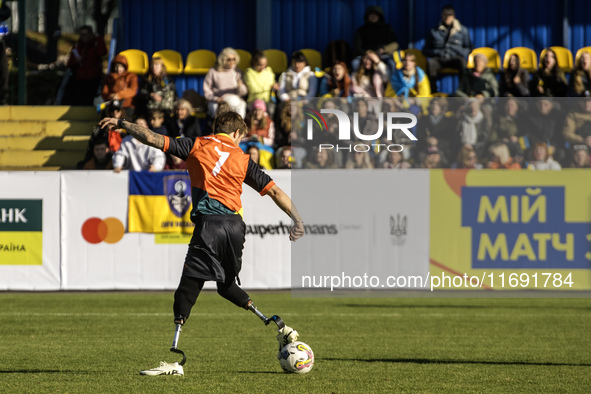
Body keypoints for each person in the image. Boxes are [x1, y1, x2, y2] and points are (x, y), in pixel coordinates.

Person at [98, 111, 304, 376]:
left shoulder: (196, 144)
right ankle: (278, 325)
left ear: (217, 128)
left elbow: (151, 138)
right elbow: (274, 191)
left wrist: (122, 124)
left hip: (210, 225)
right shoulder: (243, 159)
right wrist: (298, 219)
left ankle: (174, 358)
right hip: (235, 228)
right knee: (225, 285)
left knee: (188, 286)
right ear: (237, 134)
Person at [423, 4, 472, 92]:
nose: (447, 18)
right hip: (440, 59)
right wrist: (438, 52)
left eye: (449, 15)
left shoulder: (462, 31)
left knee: (463, 63)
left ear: (453, 16)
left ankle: (463, 92)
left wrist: (457, 51)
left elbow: (469, 48)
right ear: (442, 15)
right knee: (431, 64)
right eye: (445, 15)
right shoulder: (433, 31)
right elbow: (425, 50)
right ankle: (433, 92)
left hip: (455, 59)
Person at [62, 25, 107, 106]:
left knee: (91, 98)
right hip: (80, 77)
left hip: (93, 77)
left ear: (90, 34)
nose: (83, 37)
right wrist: (76, 61)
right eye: (81, 34)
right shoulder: (77, 46)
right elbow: (70, 63)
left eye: (85, 34)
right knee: (80, 99)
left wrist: (99, 39)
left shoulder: (95, 44)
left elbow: (102, 52)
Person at [203, 47, 248, 118]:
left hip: (234, 100)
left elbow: (244, 93)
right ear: (222, 60)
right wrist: (216, 99)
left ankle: (239, 126)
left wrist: (240, 86)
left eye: (234, 59)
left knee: (241, 106)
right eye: (229, 59)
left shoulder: (237, 72)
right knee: (214, 109)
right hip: (217, 101)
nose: (232, 62)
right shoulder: (213, 71)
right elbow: (207, 90)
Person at [353, 6, 398, 71]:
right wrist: (368, 53)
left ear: (380, 16)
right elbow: (357, 48)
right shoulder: (360, 30)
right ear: (367, 16)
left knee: (392, 63)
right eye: (371, 14)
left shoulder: (387, 28)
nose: (373, 16)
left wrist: (383, 50)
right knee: (355, 63)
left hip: (383, 55)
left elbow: (395, 44)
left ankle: (391, 81)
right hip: (365, 56)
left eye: (375, 14)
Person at [243, 50, 278, 117]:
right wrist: (269, 86)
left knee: (272, 109)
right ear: (254, 63)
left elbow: (273, 83)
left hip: (268, 100)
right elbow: (253, 89)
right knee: (258, 112)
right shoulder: (249, 73)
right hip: (254, 100)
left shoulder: (269, 70)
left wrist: (275, 85)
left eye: (265, 65)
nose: (263, 67)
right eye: (260, 65)